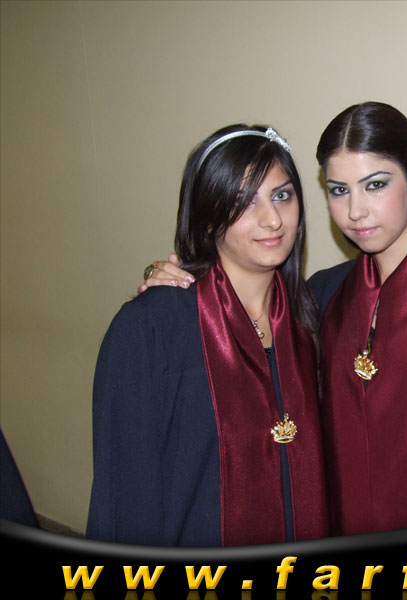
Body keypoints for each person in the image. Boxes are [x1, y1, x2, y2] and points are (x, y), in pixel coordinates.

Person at [140, 103, 407, 536]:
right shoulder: (322, 297)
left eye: (375, 185)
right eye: (339, 190)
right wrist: (172, 279)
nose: (355, 211)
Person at [87, 124, 329, 546]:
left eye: (282, 195)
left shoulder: (311, 316)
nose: (272, 219)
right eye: (243, 202)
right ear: (207, 216)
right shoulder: (152, 329)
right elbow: (126, 498)